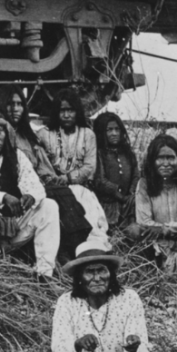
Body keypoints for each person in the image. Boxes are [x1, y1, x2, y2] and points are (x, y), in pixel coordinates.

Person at [0, 114, 62, 277]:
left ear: (6, 133)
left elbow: (37, 187)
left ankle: (44, 272)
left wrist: (30, 196)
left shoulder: (17, 156)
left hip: (14, 228)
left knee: (49, 205)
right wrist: (3, 197)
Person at [31, 88, 109, 257]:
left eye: (70, 110)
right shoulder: (44, 134)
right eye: (62, 110)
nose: (66, 115)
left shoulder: (88, 134)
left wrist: (68, 178)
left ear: (77, 112)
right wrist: (52, 179)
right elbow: (40, 163)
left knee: (90, 222)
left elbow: (89, 167)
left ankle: (92, 254)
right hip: (54, 189)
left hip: (80, 189)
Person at [125, 134, 177, 285]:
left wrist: (166, 229)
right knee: (134, 230)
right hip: (158, 244)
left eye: (170, 157)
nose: (166, 163)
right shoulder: (144, 184)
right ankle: (150, 276)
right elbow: (144, 221)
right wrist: (164, 230)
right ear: (152, 161)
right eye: (160, 158)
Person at [91, 111, 139, 228]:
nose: (114, 133)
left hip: (128, 202)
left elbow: (136, 175)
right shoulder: (99, 154)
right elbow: (100, 180)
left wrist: (131, 193)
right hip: (107, 203)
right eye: (109, 130)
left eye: (117, 129)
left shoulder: (128, 153)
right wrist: (119, 195)